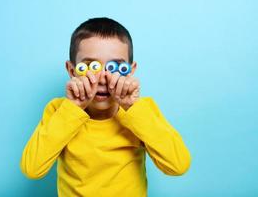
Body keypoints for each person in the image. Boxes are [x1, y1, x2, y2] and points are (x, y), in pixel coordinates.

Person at [20, 17, 191, 197]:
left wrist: (132, 107)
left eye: (115, 66)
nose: (102, 78)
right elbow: (32, 169)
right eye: (90, 66)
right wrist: (73, 108)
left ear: (130, 71)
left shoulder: (140, 111)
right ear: (72, 71)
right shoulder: (59, 111)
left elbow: (178, 165)